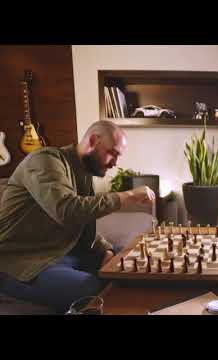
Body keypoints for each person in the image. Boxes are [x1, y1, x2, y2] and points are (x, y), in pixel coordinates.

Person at [0, 120, 156, 313]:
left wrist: (106, 251)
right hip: (21, 262)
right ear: (93, 140)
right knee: (91, 290)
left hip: (62, 251)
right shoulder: (44, 161)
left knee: (128, 256)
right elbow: (67, 210)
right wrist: (128, 196)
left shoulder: (82, 172)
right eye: (112, 153)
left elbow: (81, 225)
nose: (115, 163)